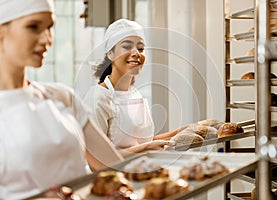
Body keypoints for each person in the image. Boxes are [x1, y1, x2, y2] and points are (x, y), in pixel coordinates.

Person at [0, 0, 124, 199]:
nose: (46, 39)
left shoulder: (62, 97)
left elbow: (115, 170)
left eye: (50, 27)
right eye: (33, 27)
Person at [83, 19, 186, 152]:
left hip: (141, 169)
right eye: (127, 46)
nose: (136, 53)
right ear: (110, 53)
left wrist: (182, 132)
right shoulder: (98, 99)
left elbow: (143, 142)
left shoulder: (134, 94)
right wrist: (147, 148)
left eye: (141, 48)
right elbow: (98, 159)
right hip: (113, 173)